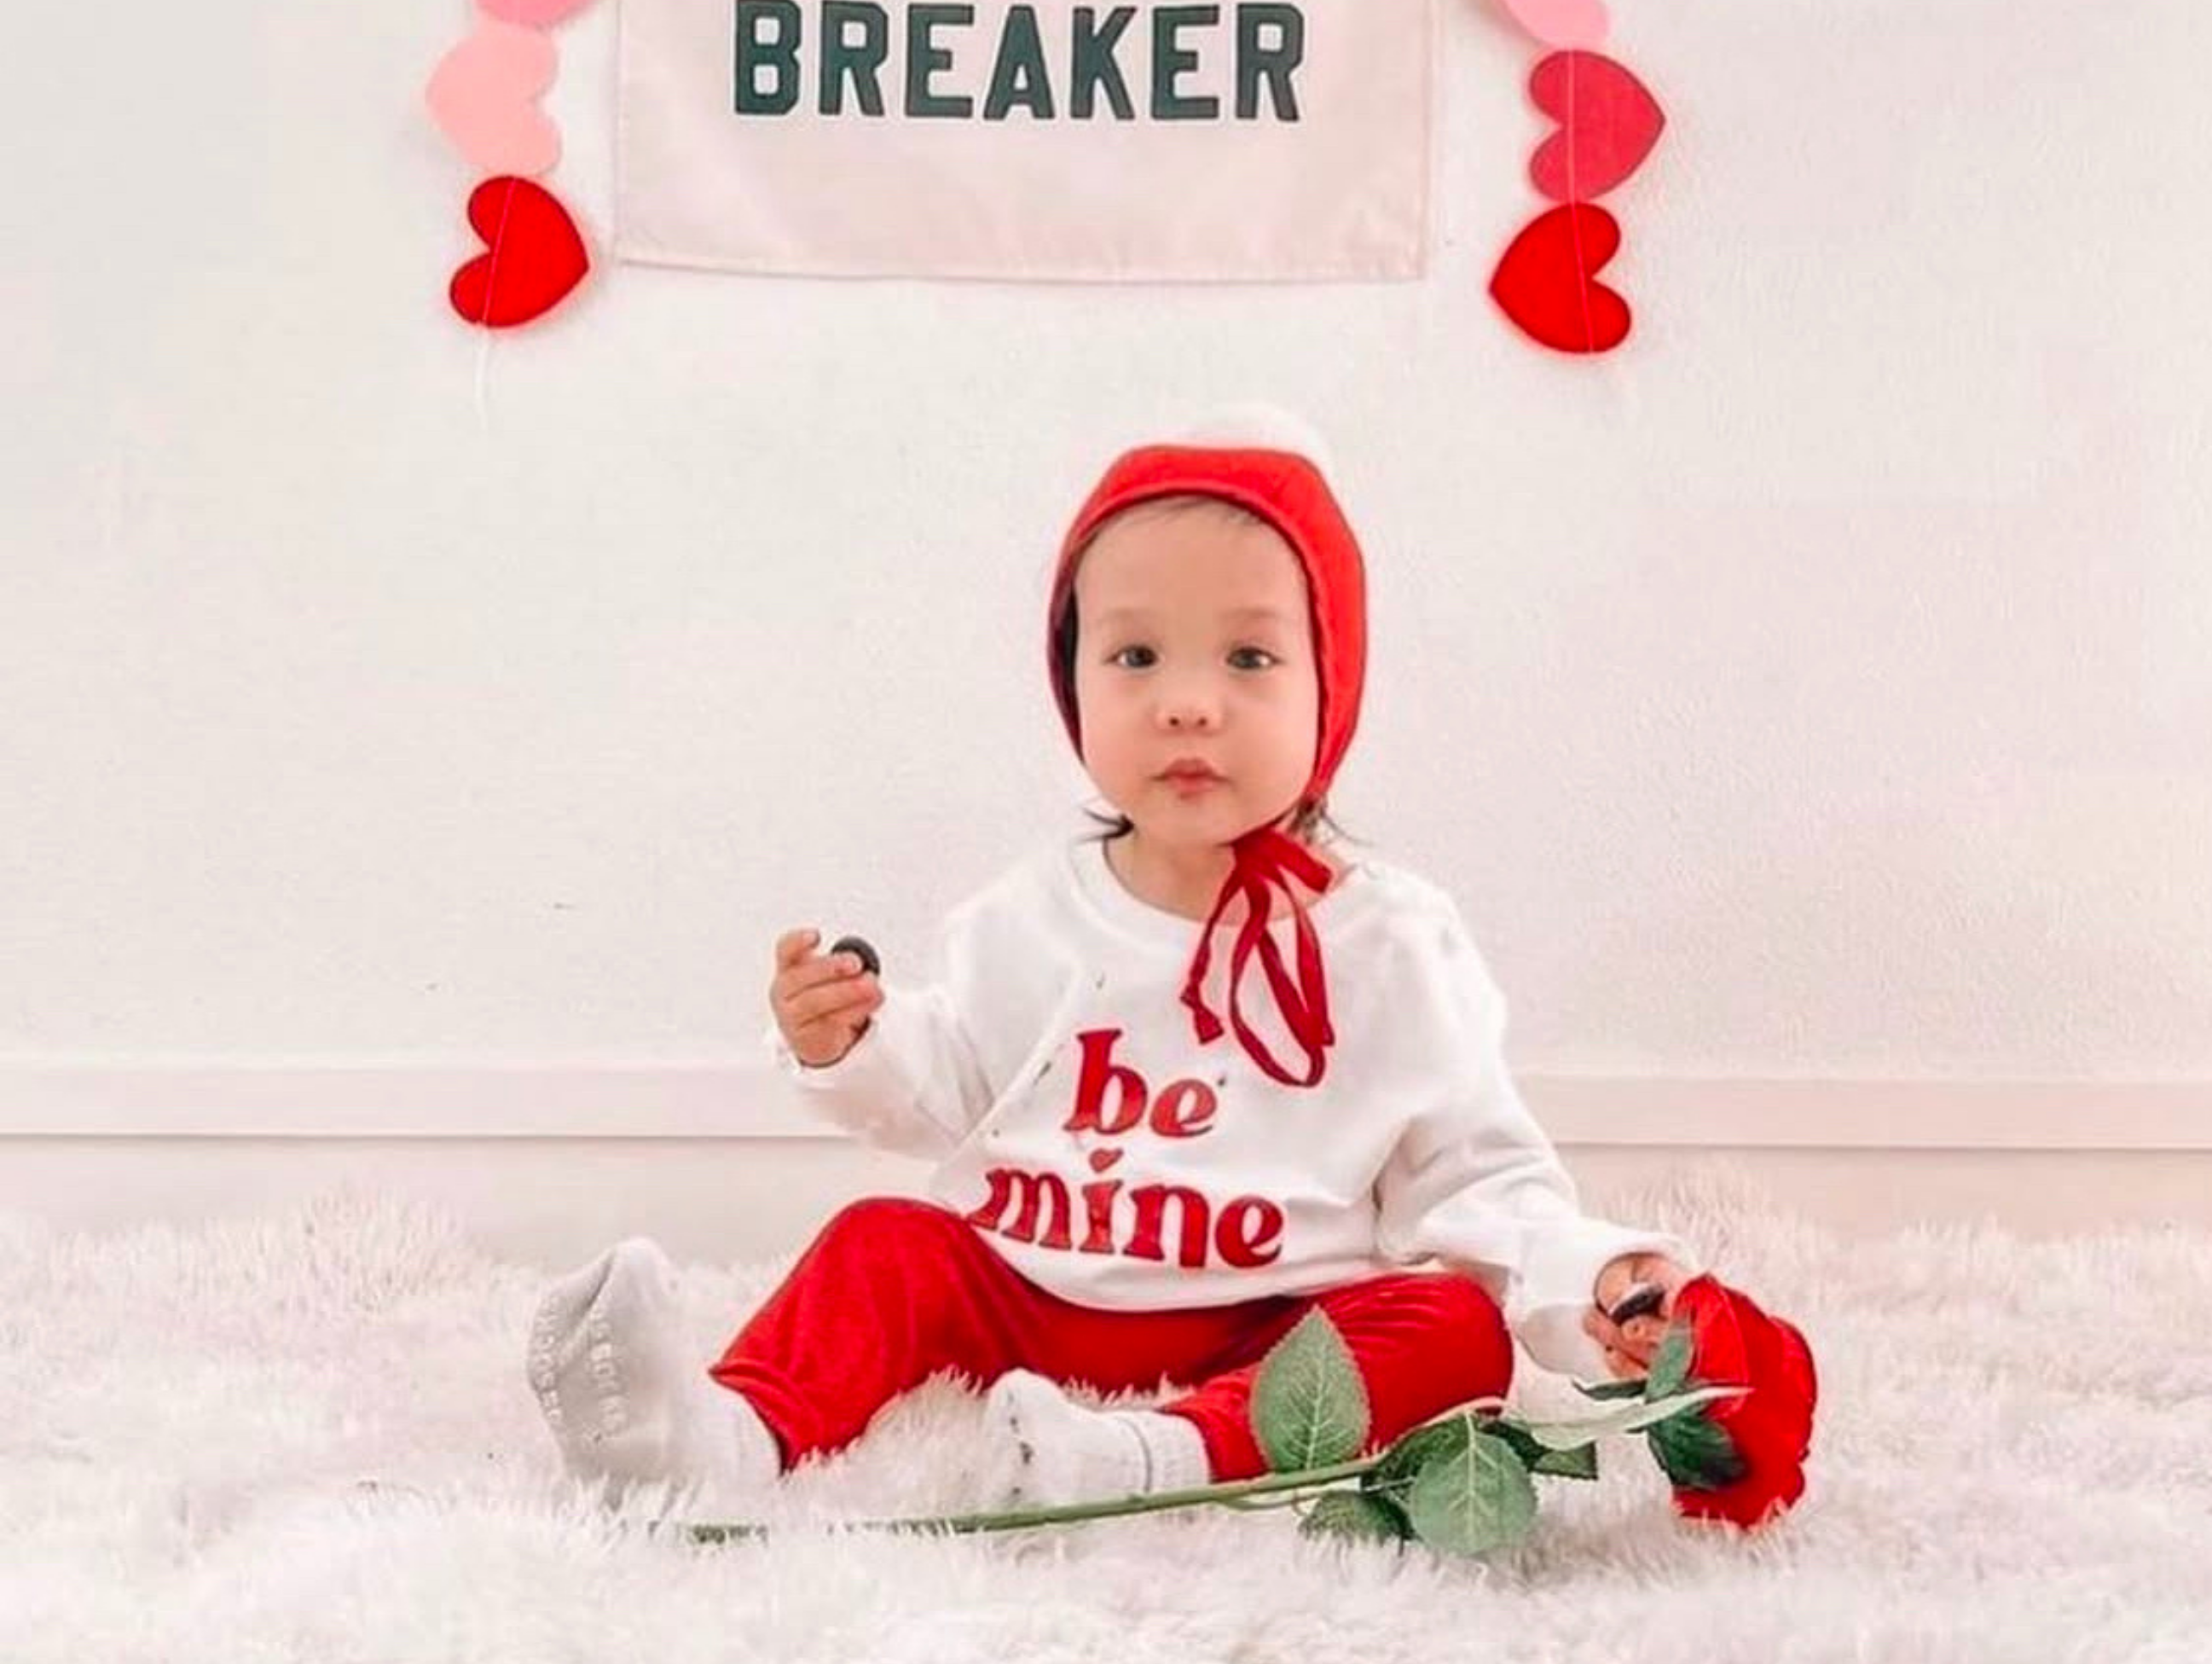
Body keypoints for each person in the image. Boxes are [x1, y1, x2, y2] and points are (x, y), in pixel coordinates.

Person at [525, 404, 1708, 1516]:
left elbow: (1478, 1179)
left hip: (1271, 1322)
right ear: (1073, 683)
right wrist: (850, 1041)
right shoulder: (1029, 913)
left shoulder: (1391, 942)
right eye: (1136, 659)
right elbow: (948, 1084)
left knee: (1450, 1330)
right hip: (1036, 1291)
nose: (1188, 705)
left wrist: (1590, 1273)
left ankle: (1154, 1454)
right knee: (885, 1243)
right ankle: (716, 1441)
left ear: (1331, 686)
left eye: (1248, 661)